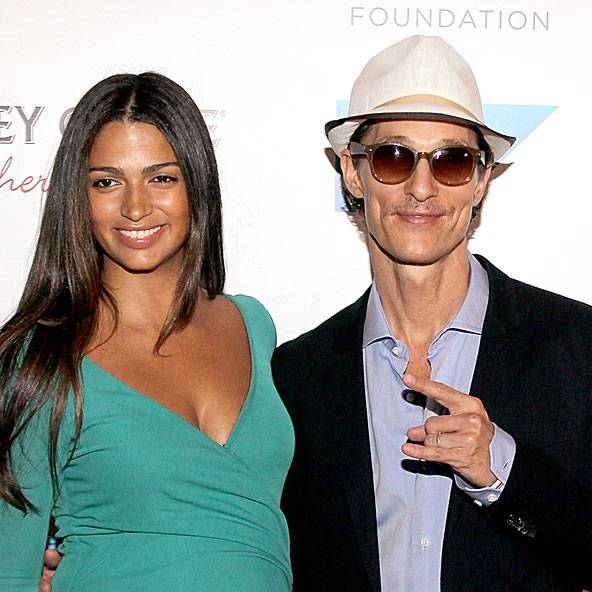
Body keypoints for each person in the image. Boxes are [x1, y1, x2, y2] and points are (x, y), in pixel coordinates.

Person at [272, 35, 592, 591]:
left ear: (481, 180)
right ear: (353, 173)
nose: (421, 188)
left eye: (452, 161)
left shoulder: (578, 351)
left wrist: (501, 468)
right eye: (393, 158)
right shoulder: (297, 377)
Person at [0, 72, 294, 592]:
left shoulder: (253, 325)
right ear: (77, 196)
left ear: (195, 185)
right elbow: (10, 570)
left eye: (161, 178)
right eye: (106, 182)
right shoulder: (41, 357)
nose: (135, 207)